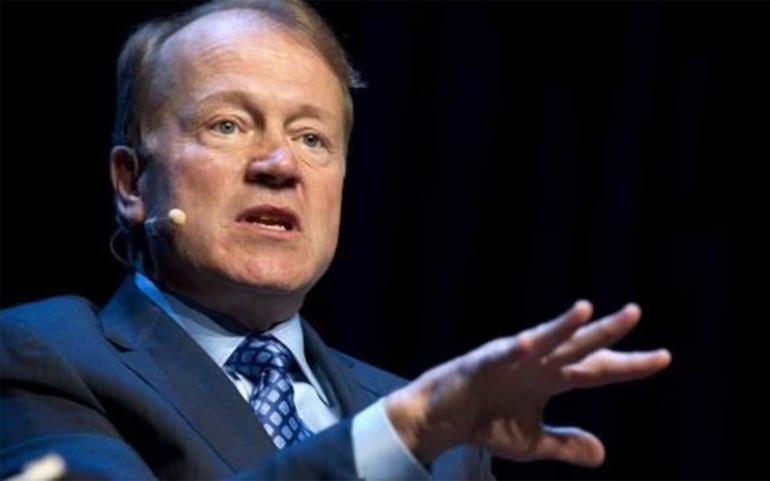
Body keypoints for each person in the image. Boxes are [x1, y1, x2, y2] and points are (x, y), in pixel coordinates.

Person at [0, 0, 672, 479]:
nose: (280, 164)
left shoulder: (443, 436)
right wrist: (401, 435)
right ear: (131, 182)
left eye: (312, 138)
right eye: (228, 125)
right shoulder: (43, 353)